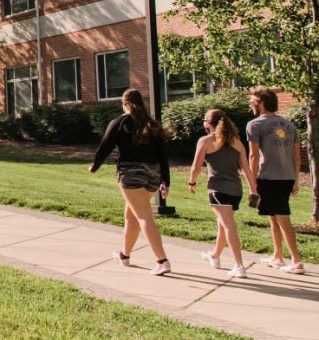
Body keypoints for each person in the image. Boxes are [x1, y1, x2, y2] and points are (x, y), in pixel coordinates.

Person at [90, 88, 173, 276]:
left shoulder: (120, 122)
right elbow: (163, 155)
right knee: (132, 214)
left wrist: (95, 166)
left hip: (130, 173)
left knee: (144, 216)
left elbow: (105, 146)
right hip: (153, 174)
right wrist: (165, 181)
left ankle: (162, 260)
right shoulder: (151, 124)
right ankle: (124, 255)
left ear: (125, 104)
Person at [187, 109, 255, 279]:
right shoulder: (236, 142)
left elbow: (196, 166)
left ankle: (239, 266)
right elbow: (246, 169)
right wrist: (253, 189)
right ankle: (215, 256)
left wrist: (192, 182)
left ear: (208, 124)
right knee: (222, 223)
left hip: (218, 189)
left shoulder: (206, 141)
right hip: (235, 191)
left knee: (228, 225)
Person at [247, 87, 305, 273]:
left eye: (253, 100)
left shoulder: (255, 125)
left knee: (282, 217)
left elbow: (254, 156)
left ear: (261, 103)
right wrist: (295, 179)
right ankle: (278, 256)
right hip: (287, 176)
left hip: (269, 177)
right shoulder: (289, 125)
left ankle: (296, 261)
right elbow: (297, 157)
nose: (251, 103)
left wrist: (252, 180)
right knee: (273, 216)